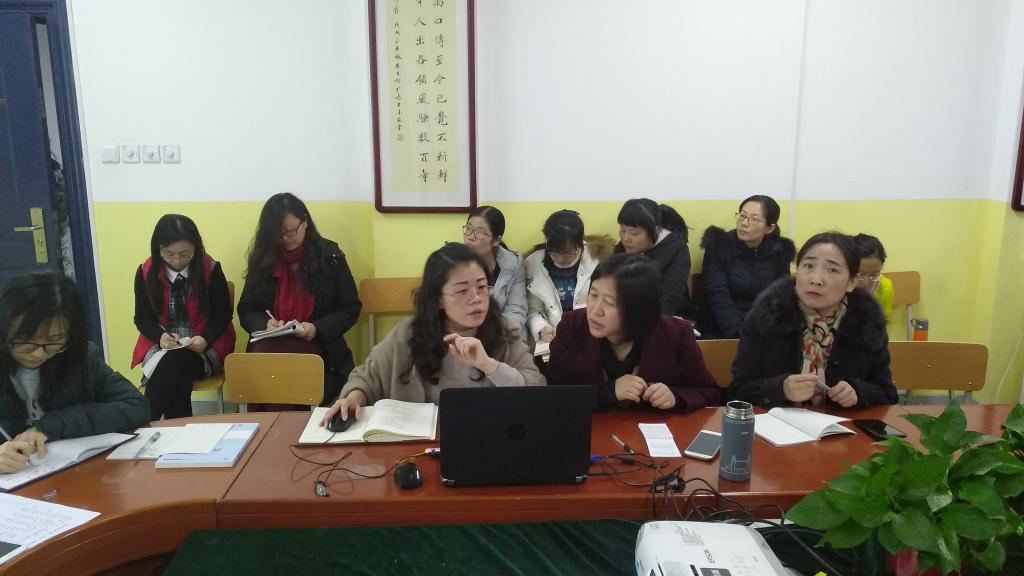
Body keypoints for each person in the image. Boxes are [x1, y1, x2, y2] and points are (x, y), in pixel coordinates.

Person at [320, 243, 544, 425]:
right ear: (438, 299)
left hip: (488, 437)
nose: (476, 298)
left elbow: (536, 390)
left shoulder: (503, 331)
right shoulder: (409, 333)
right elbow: (368, 377)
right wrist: (354, 397)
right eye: (462, 290)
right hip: (419, 445)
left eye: (482, 287)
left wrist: (490, 366)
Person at [728, 232, 898, 409]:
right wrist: (780, 389)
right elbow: (738, 391)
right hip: (776, 424)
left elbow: (888, 395)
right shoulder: (766, 316)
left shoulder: (868, 322)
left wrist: (858, 392)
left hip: (841, 424)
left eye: (832, 270)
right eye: (808, 266)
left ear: (851, 282)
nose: (816, 280)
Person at [0, 273, 149, 474]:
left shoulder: (81, 359)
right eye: (25, 340)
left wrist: (52, 425)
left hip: (72, 475)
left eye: (54, 341)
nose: (38, 353)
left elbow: (136, 406)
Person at [547, 253, 719, 412]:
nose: (595, 310)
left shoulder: (676, 333)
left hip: (651, 430)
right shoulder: (572, 326)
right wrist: (608, 392)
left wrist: (675, 397)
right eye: (593, 295)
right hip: (589, 429)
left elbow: (708, 391)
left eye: (610, 302)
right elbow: (553, 395)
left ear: (638, 308)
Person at [237, 193, 362, 406]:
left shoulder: (330, 257)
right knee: (270, 368)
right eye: (278, 233)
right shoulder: (263, 258)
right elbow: (247, 309)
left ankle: (291, 425)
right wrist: (266, 324)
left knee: (294, 368)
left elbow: (350, 308)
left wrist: (316, 328)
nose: (285, 238)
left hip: (318, 345)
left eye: (290, 230)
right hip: (270, 344)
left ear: (305, 222)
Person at [131, 215, 235, 420]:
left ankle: (143, 421)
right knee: (176, 373)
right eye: (169, 255)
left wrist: (205, 339)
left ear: (196, 248)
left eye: (185, 254)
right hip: (163, 346)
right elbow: (142, 318)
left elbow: (223, 314)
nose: (177, 261)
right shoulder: (146, 271)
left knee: (172, 364)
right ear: (158, 249)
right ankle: (178, 428)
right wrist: (160, 337)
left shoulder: (210, 268)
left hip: (205, 347)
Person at [698, 195, 795, 339]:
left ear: (769, 228)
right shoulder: (719, 246)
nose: (744, 223)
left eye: (754, 219)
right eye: (742, 216)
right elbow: (717, 293)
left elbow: (780, 297)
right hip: (722, 326)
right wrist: (738, 333)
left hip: (762, 327)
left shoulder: (780, 252)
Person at [524, 210, 613, 350]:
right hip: (554, 338)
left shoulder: (597, 260)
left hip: (591, 333)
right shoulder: (533, 264)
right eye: (555, 252)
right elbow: (533, 309)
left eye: (567, 253)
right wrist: (541, 328)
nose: (560, 259)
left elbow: (606, 303)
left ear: (580, 243)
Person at [615, 198, 694, 319]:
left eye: (634, 233)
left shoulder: (677, 249)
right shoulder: (622, 248)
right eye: (622, 230)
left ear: (655, 231)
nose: (626, 239)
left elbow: (669, 297)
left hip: (669, 317)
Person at [461, 205, 527, 338]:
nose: (470, 237)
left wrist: (495, 335)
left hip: (502, 336)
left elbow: (516, 310)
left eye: (480, 233)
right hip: (464, 335)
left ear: (496, 240)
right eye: (468, 229)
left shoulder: (514, 263)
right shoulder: (453, 263)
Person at [853, 233, 893, 322]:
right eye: (859, 274)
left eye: (873, 275)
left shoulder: (885, 288)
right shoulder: (838, 286)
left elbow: (881, 323)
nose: (866, 282)